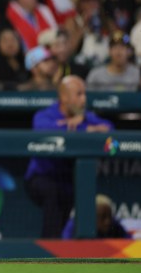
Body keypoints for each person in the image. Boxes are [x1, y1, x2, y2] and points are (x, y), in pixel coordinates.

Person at [25, 75, 113, 238]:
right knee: (54, 193)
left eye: (84, 94)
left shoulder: (85, 117)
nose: (84, 99)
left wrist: (81, 124)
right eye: (79, 94)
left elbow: (109, 128)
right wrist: (84, 128)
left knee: (77, 195)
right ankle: (49, 249)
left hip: (69, 180)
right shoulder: (45, 115)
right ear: (64, 97)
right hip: (42, 177)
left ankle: (69, 249)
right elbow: (44, 131)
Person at [62, 194, 130, 239]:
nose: (107, 222)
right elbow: (65, 245)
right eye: (102, 217)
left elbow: (131, 243)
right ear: (91, 217)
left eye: (109, 216)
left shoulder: (115, 225)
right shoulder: (76, 225)